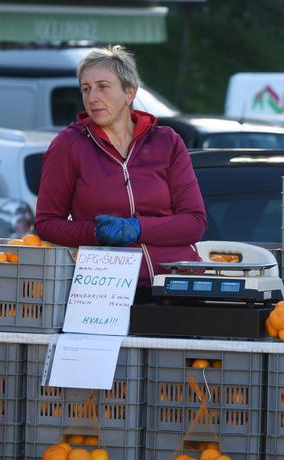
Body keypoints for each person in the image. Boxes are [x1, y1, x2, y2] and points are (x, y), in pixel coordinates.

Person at [35, 45, 206, 292]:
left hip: (177, 281)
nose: (92, 97)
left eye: (103, 87)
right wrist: (95, 233)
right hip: (106, 287)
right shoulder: (68, 145)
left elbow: (195, 222)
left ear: (129, 93)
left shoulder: (167, 141)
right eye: (86, 89)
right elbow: (46, 223)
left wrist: (138, 228)